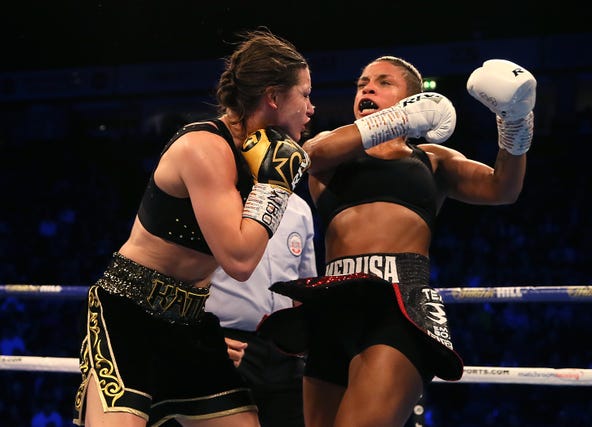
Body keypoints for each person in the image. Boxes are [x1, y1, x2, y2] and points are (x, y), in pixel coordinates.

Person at [259, 56, 537, 427]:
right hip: (332, 307)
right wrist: (397, 119)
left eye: (383, 82)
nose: (367, 88)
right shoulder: (331, 146)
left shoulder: (432, 160)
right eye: (362, 83)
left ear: (415, 97)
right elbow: (306, 158)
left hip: (398, 306)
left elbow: (503, 188)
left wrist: (515, 124)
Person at [72, 28, 313, 427]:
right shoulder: (204, 148)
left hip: (191, 320)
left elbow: (325, 151)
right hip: (131, 310)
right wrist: (275, 186)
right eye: (304, 94)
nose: (311, 107)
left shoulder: (259, 151)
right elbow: (238, 259)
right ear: (273, 96)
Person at [210, 190, 316, 427]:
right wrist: (203, 338)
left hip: (285, 351)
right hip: (227, 343)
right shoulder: (219, 197)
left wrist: (308, 348)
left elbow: (305, 288)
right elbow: (186, 271)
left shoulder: (299, 207)